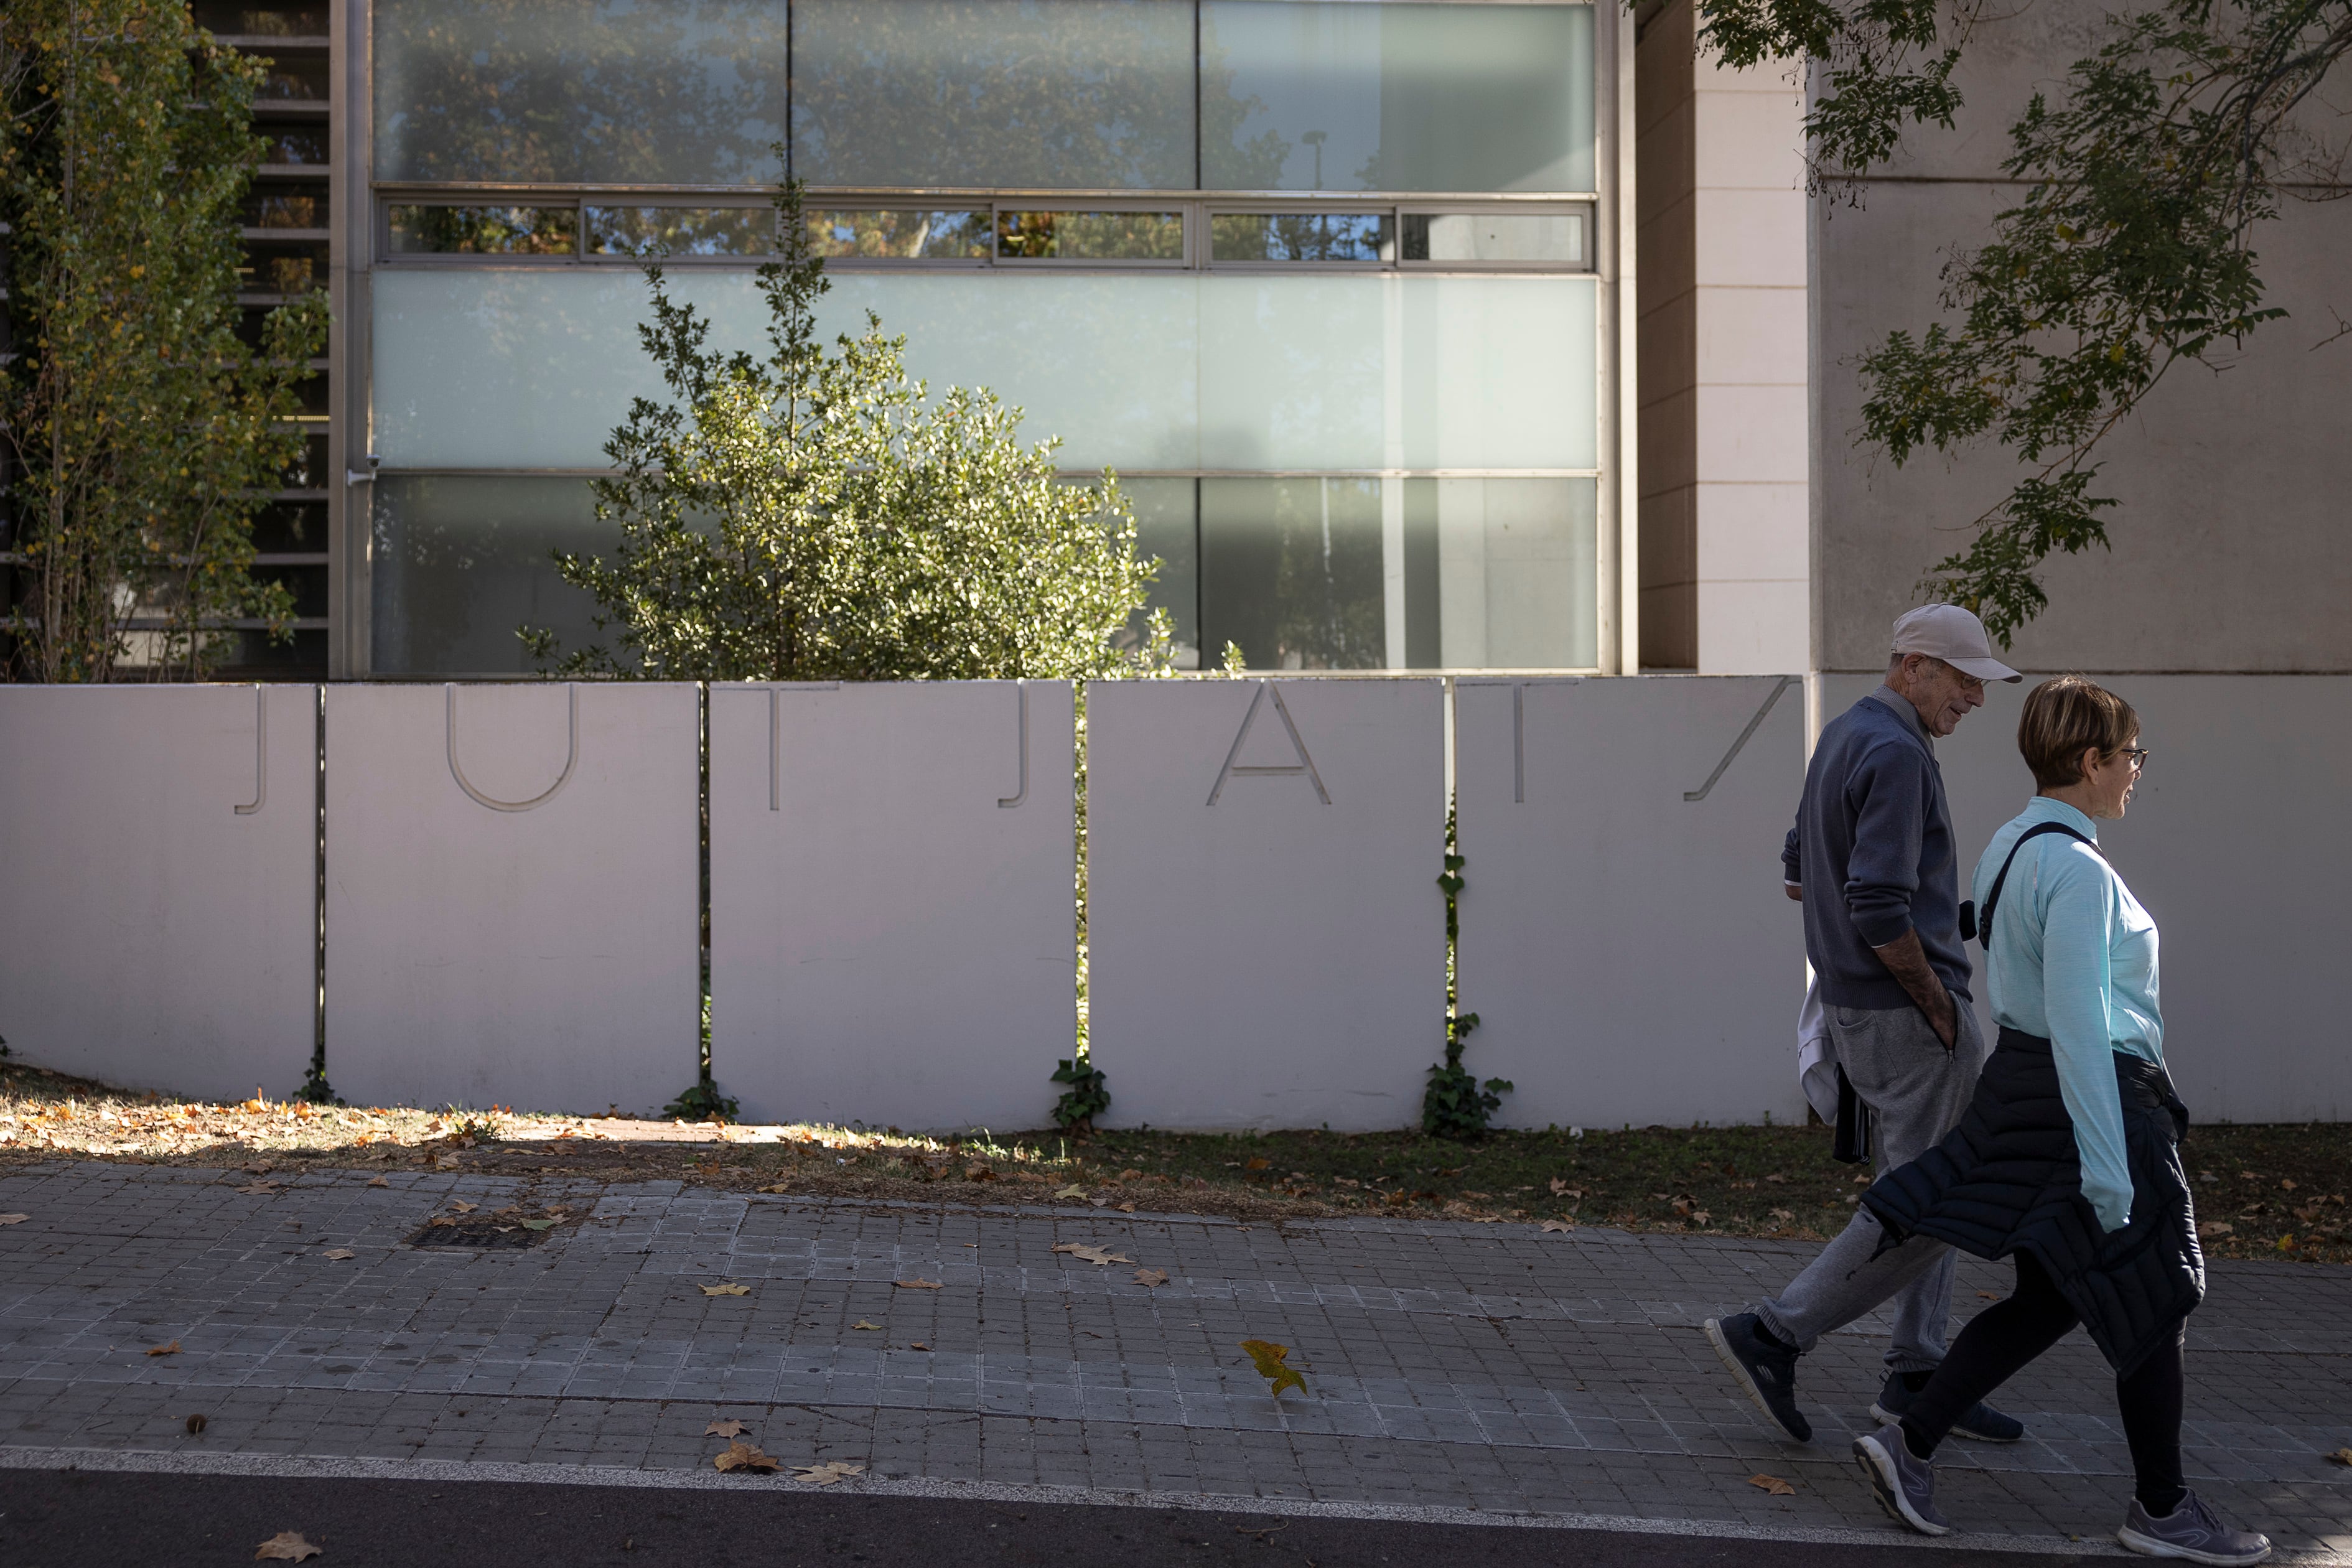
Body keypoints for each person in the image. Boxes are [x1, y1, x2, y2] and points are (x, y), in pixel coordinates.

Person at [1852, 678, 2269, 1564]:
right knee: (2155, 1296)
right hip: (2099, 1101)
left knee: (2052, 1297)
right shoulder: (2078, 873)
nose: (2136, 773)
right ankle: (2162, 1510)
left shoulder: (2010, 846)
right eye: (2130, 757)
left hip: (2028, 1091)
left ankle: (1908, 1441)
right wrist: (2112, 1172)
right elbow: (2083, 1028)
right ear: (2092, 761)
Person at [1705, 604, 2025, 1445]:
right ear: (1912, 665)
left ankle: (1918, 1375)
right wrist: (1937, 1005)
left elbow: (1800, 877)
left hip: (1862, 1012)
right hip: (1907, 1021)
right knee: (1934, 1203)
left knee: (1922, 1190)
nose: (1975, 699)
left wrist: (1923, 920)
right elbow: (1874, 901)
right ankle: (1774, 1332)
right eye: (1963, 680)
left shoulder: (1850, 735)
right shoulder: (1896, 752)